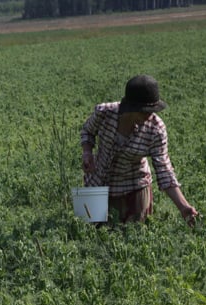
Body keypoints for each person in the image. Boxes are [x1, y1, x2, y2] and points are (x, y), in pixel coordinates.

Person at [80, 74, 198, 226]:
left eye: (152, 110)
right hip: (97, 181)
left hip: (133, 188)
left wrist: (184, 207)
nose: (149, 116)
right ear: (131, 107)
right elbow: (87, 132)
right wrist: (87, 152)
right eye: (144, 111)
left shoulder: (156, 129)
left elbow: (164, 170)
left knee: (131, 234)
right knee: (86, 230)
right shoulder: (104, 113)